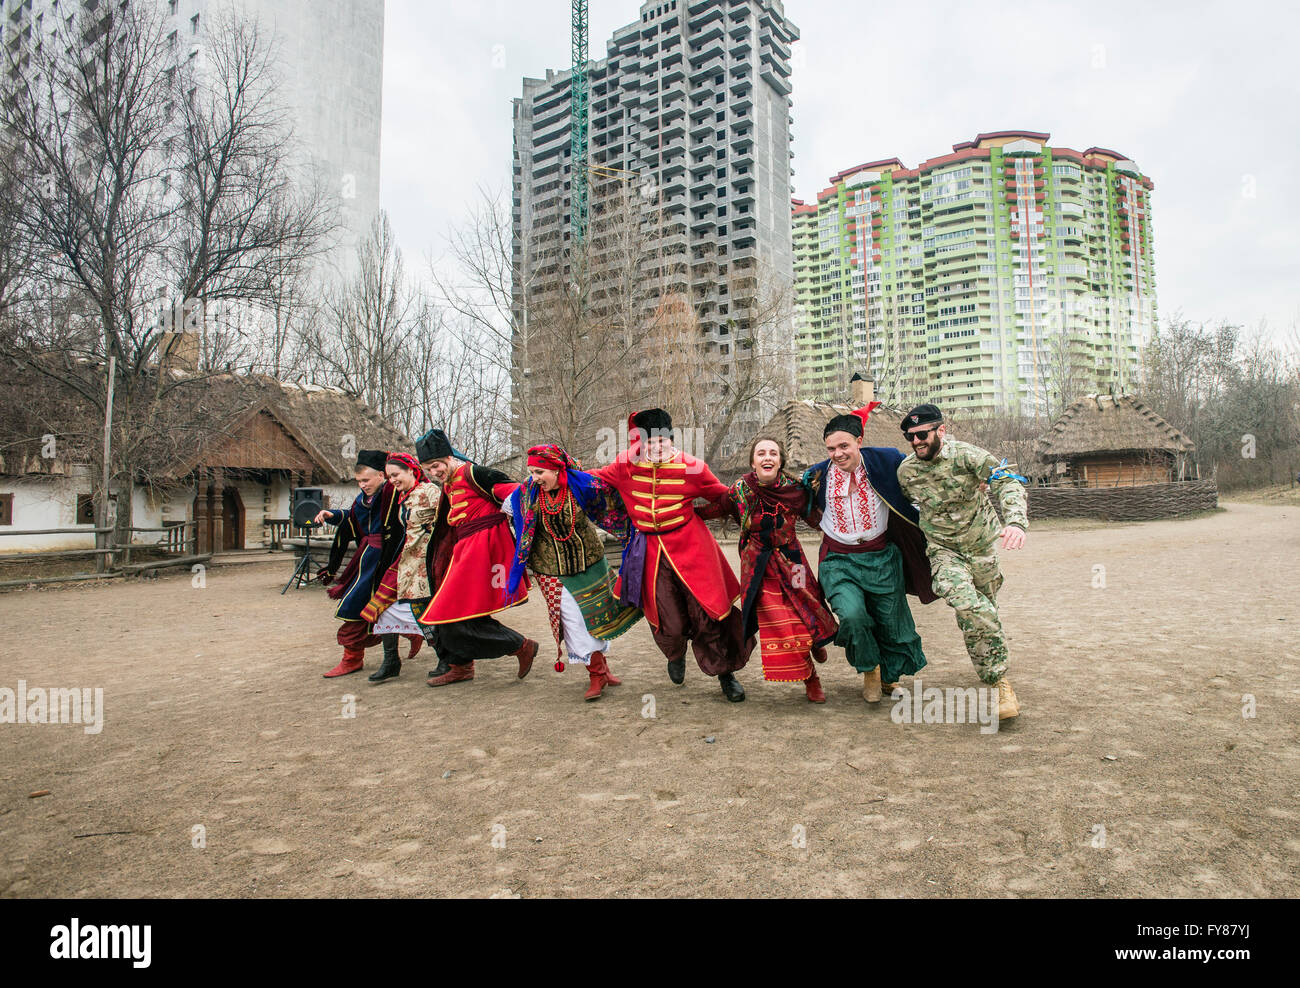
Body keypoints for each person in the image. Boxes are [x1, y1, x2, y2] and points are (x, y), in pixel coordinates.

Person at [590, 408, 754, 702]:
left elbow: (723, 496)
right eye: (648, 443)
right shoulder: (624, 465)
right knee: (669, 620)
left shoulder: (693, 467)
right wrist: (560, 473)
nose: (654, 448)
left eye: (661, 442)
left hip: (694, 549)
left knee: (709, 614)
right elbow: (594, 481)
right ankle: (676, 654)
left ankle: (725, 674)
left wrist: (719, 507)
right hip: (651, 555)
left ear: (671, 440)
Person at [895, 403, 1028, 721]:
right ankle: (999, 682)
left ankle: (994, 666)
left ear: (940, 430)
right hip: (943, 552)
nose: (916, 442)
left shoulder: (970, 456)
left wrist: (1015, 522)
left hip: (981, 548)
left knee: (982, 613)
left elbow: (1007, 481)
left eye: (922, 434)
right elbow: (903, 506)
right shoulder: (907, 473)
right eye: (910, 437)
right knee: (967, 604)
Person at [802, 404, 935, 704]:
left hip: (882, 557)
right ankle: (869, 669)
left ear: (859, 441)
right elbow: (788, 495)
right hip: (838, 561)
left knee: (892, 622)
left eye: (844, 446)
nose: (837, 454)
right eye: (831, 448)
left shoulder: (887, 460)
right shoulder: (816, 475)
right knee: (852, 615)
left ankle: (889, 679)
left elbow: (925, 471)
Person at [699, 437, 838, 703]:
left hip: (793, 562)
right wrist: (686, 515)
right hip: (757, 568)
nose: (767, 457)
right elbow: (718, 508)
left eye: (773, 453)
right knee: (784, 625)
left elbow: (816, 518)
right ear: (753, 461)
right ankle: (811, 678)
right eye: (761, 453)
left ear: (780, 461)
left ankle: (815, 641)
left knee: (808, 607)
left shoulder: (796, 489)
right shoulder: (740, 489)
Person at [499, 444, 642, 701]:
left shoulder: (582, 485)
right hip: (551, 571)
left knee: (599, 617)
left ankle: (603, 668)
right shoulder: (524, 495)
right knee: (575, 622)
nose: (534, 478)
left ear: (557, 469)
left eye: (540, 471)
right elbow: (508, 517)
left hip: (590, 563)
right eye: (531, 471)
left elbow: (618, 502)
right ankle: (596, 673)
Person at [415, 429, 540, 687]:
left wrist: (513, 525)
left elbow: (518, 493)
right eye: (428, 469)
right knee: (460, 613)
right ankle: (461, 666)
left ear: (448, 458)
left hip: (484, 549)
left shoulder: (475, 473)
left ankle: (520, 645)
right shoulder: (449, 483)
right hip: (465, 550)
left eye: (436, 465)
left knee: (448, 612)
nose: (433, 472)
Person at [314, 449, 414, 678]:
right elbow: (353, 517)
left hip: (387, 557)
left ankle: (354, 658)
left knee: (357, 604)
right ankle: (364, 656)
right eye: (359, 481)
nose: (362, 485)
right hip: (366, 558)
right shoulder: (363, 498)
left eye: (366, 480)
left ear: (382, 475)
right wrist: (333, 514)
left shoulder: (392, 493)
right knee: (372, 606)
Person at [356, 452, 439, 683]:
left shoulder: (430, 492)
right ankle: (391, 659)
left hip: (426, 564)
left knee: (426, 614)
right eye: (390, 476)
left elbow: (446, 523)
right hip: (405, 563)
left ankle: (447, 660)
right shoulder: (404, 496)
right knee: (380, 608)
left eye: (396, 474)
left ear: (411, 470)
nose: (392, 480)